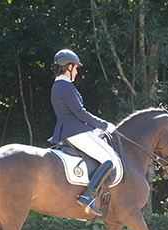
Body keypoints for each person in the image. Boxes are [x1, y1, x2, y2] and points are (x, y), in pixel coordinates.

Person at [48, 49, 119, 216]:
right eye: (76, 68)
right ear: (69, 67)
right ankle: (89, 195)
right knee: (110, 160)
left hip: (67, 131)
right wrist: (104, 125)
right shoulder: (66, 86)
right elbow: (80, 113)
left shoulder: (56, 86)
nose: (77, 71)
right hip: (76, 132)